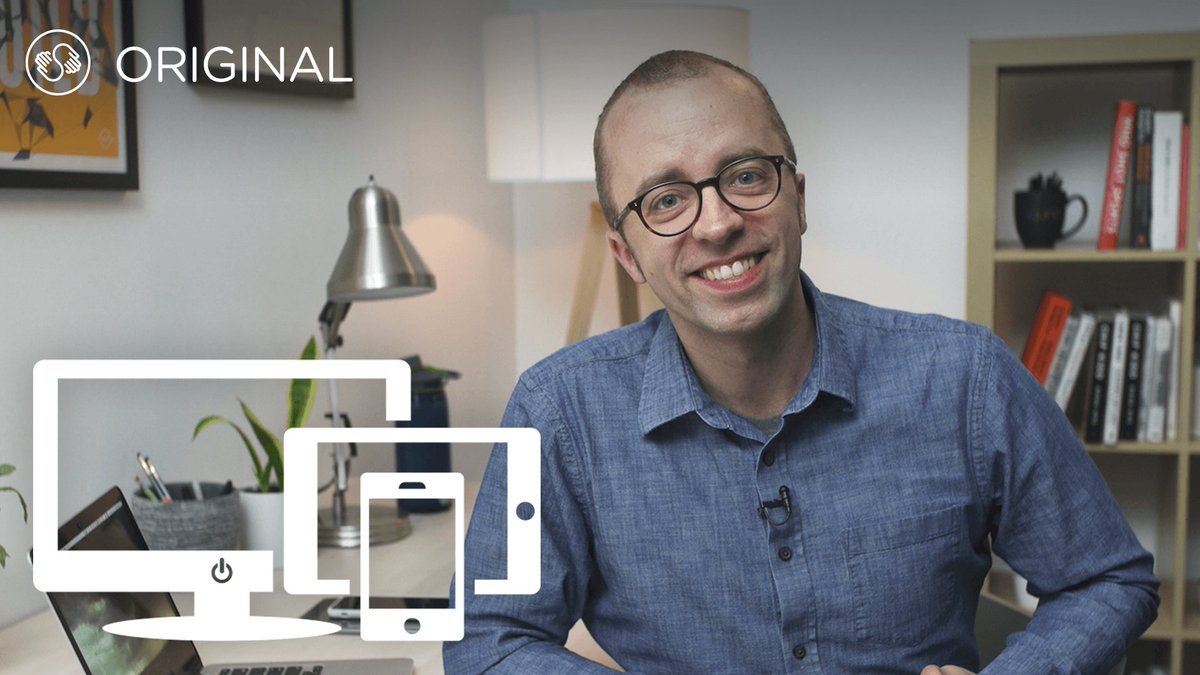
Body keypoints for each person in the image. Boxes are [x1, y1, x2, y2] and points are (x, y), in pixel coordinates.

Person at [444, 50, 1158, 674]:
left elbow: (1109, 578)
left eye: (746, 175)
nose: (719, 223)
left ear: (799, 198)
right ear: (628, 254)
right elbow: (489, 638)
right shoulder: (558, 410)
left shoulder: (964, 375)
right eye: (666, 200)